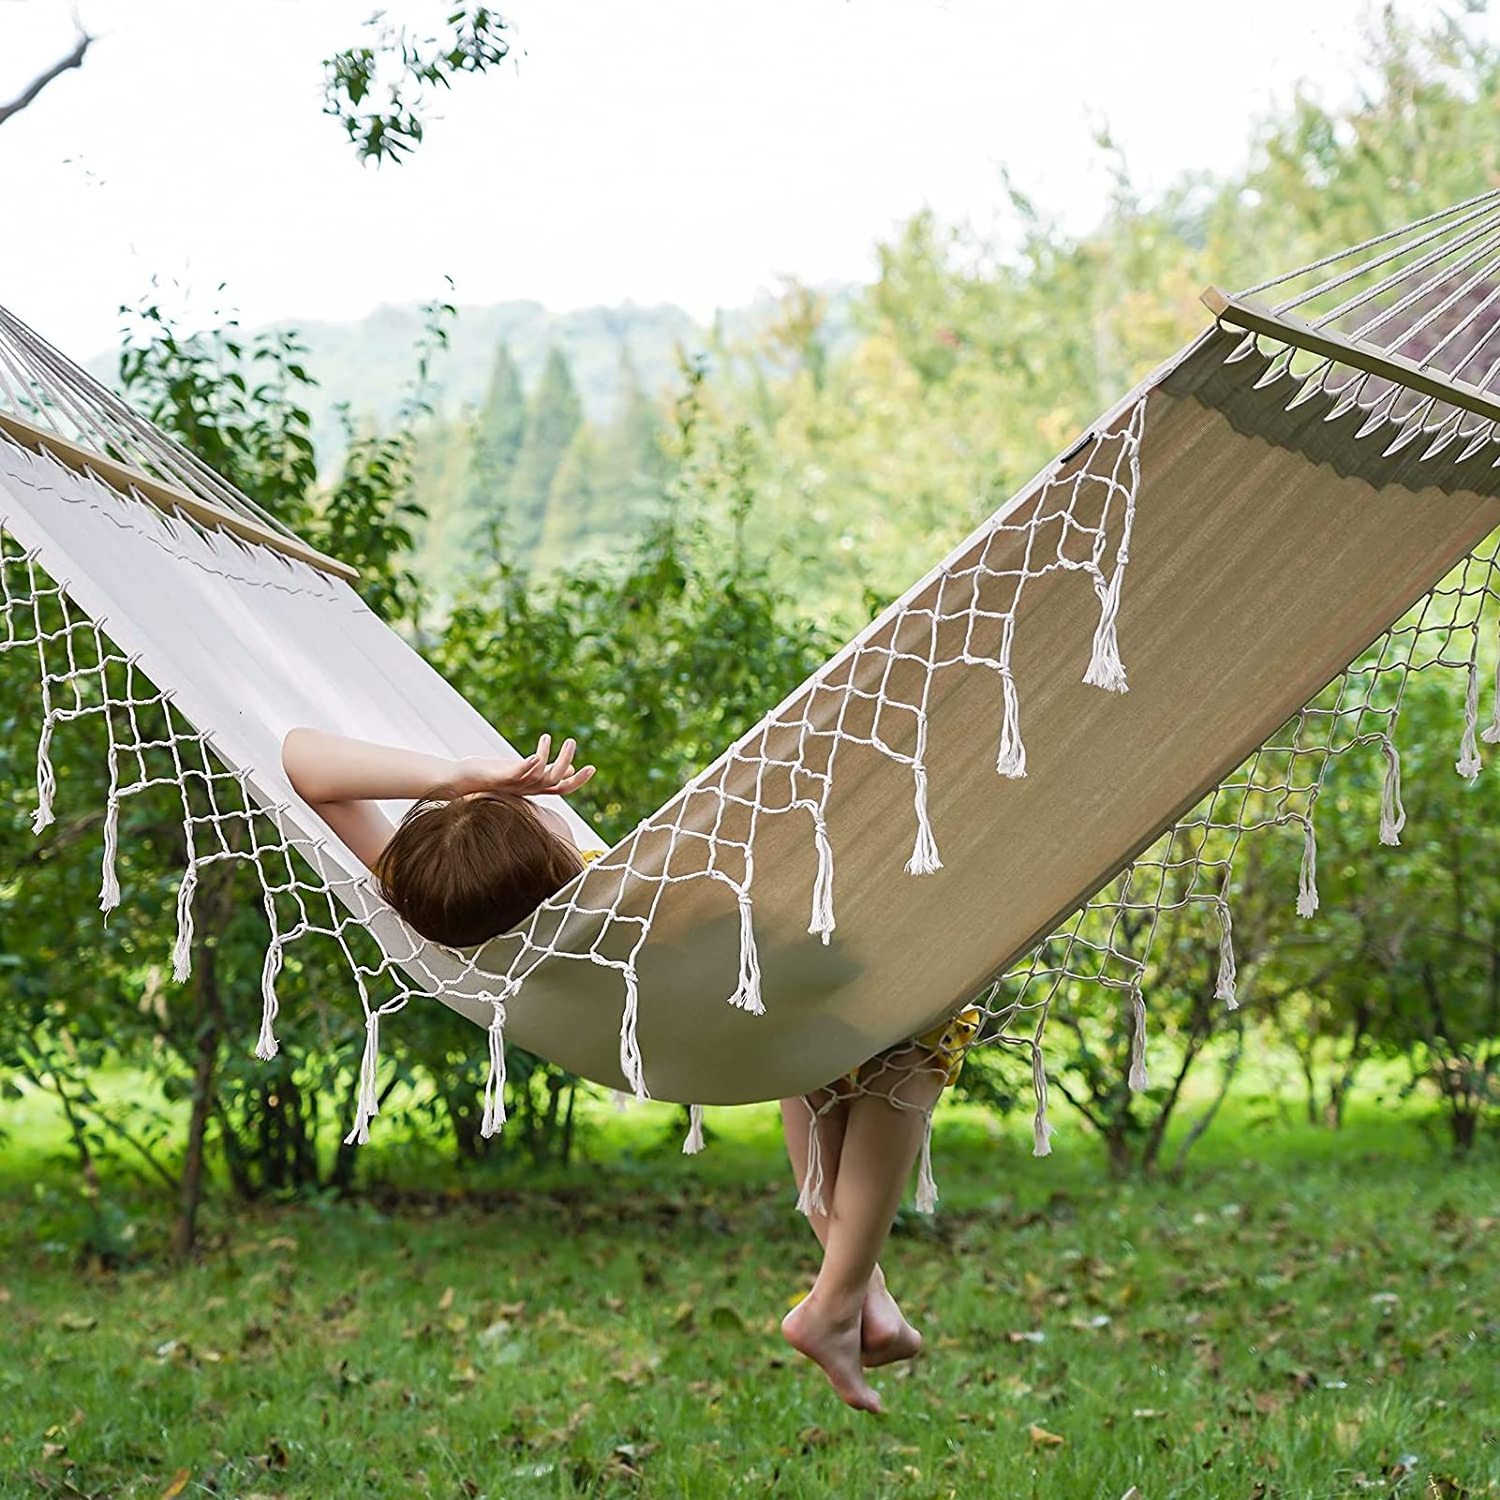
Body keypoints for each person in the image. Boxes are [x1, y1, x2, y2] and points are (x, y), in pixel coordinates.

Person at [281, 725, 976, 1414]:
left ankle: (864, 1295)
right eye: (526, 811)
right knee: (930, 1020)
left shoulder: (441, 907)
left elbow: (301, 762)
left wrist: (459, 780)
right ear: (553, 857)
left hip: (710, 1048)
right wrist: (464, 777)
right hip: (769, 1017)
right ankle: (838, 1299)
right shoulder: (620, 898)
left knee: (815, 1055)